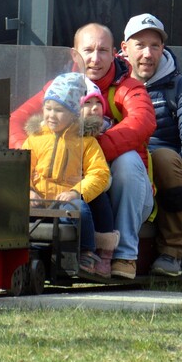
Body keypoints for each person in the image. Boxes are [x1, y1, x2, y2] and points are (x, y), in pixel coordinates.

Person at [9, 23, 156, 280]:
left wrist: (85, 148)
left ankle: (125, 255)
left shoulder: (129, 87)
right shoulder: (60, 88)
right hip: (65, 188)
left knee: (128, 161)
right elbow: (16, 120)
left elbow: (141, 122)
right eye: (88, 50)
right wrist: (29, 152)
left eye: (102, 51)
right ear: (74, 53)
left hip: (123, 191)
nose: (95, 58)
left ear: (114, 54)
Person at [119, 13, 182, 277]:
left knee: (162, 158)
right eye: (140, 46)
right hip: (121, 154)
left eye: (155, 46)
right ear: (125, 48)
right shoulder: (112, 82)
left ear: (163, 48)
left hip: (163, 164)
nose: (148, 54)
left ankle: (171, 251)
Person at [20, 72, 112, 277]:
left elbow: (99, 173)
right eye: (48, 108)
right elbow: (22, 168)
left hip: (65, 200)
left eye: (59, 110)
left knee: (80, 209)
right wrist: (29, 191)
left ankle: (87, 251)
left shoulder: (85, 141)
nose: (51, 115)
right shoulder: (35, 138)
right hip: (38, 200)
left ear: (73, 113)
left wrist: (76, 191)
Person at [78, 80, 121, 275]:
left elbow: (101, 171)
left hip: (97, 182)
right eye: (87, 103)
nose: (94, 108)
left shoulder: (105, 132)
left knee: (99, 200)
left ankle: (105, 253)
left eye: (98, 103)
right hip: (67, 183)